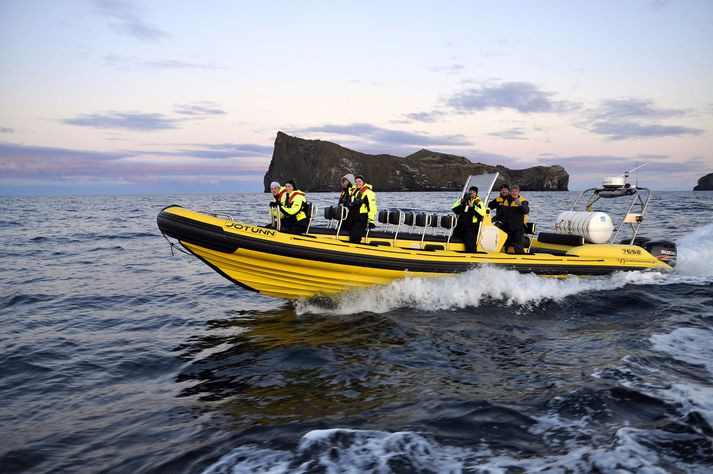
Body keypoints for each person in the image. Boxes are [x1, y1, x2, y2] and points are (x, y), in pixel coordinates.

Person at [451, 186, 486, 252]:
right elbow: (454, 208)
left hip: (471, 227)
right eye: (471, 191)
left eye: (474, 191)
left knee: (470, 244)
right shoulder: (463, 200)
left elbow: (482, 214)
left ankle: (472, 257)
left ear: (476, 193)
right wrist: (463, 202)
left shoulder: (479, 203)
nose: (472, 192)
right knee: (455, 240)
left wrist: (472, 207)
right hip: (460, 225)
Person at [346, 175, 377, 243]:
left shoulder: (368, 192)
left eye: (359, 181)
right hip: (353, 217)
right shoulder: (354, 191)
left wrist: (371, 220)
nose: (358, 183)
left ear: (363, 182)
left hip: (361, 218)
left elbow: (372, 207)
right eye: (356, 182)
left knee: (355, 235)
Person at [501, 184, 529, 254]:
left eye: (516, 191)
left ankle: (521, 260)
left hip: (518, 227)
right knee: (505, 243)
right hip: (507, 226)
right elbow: (502, 213)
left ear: (518, 192)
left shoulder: (523, 201)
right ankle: (504, 257)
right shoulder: (507, 200)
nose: (514, 192)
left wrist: (520, 205)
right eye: (512, 191)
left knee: (518, 245)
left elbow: (526, 211)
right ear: (510, 192)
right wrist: (495, 219)